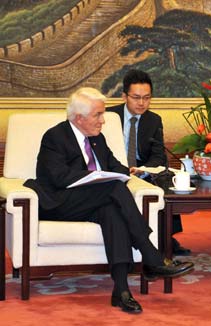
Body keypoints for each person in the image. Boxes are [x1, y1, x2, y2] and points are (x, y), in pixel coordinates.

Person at [24, 87, 194, 314]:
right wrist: (96, 178)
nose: (103, 121)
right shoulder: (55, 137)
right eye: (98, 115)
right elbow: (58, 178)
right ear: (79, 118)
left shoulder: (97, 138)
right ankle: (151, 255)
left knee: (112, 211)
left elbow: (115, 166)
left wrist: (125, 172)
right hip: (59, 203)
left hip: (93, 202)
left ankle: (121, 291)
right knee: (111, 187)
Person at [107, 69, 191, 256]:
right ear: (124, 96)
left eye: (147, 97)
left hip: (141, 170)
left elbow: (158, 155)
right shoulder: (108, 116)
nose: (142, 103)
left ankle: (167, 237)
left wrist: (143, 170)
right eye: (136, 97)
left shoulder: (153, 120)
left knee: (166, 181)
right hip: (113, 167)